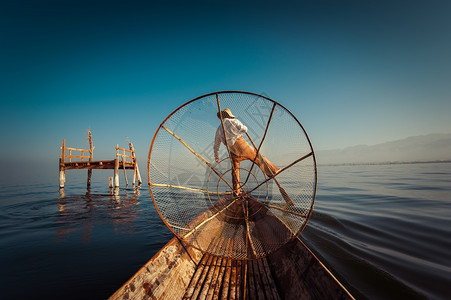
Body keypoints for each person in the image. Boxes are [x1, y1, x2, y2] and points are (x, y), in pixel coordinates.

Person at [214, 108, 280, 196]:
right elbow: (244, 130)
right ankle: (272, 171)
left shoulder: (219, 129)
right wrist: (244, 126)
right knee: (257, 156)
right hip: (241, 146)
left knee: (235, 171)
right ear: (229, 116)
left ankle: (237, 191)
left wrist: (216, 156)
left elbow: (216, 144)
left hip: (232, 151)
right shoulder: (234, 121)